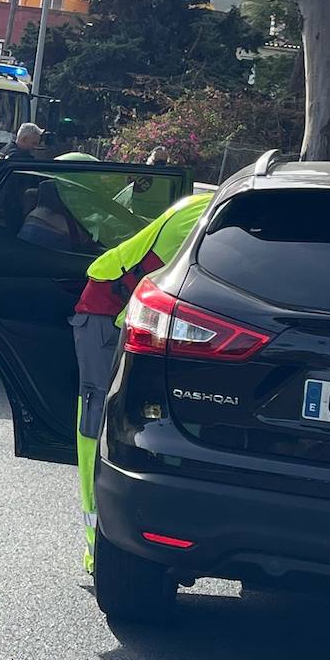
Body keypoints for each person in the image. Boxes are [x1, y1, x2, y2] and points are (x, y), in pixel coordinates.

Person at [70, 191, 212, 573]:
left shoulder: (209, 206)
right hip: (108, 312)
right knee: (99, 426)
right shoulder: (212, 217)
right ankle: (99, 544)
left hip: (125, 310)